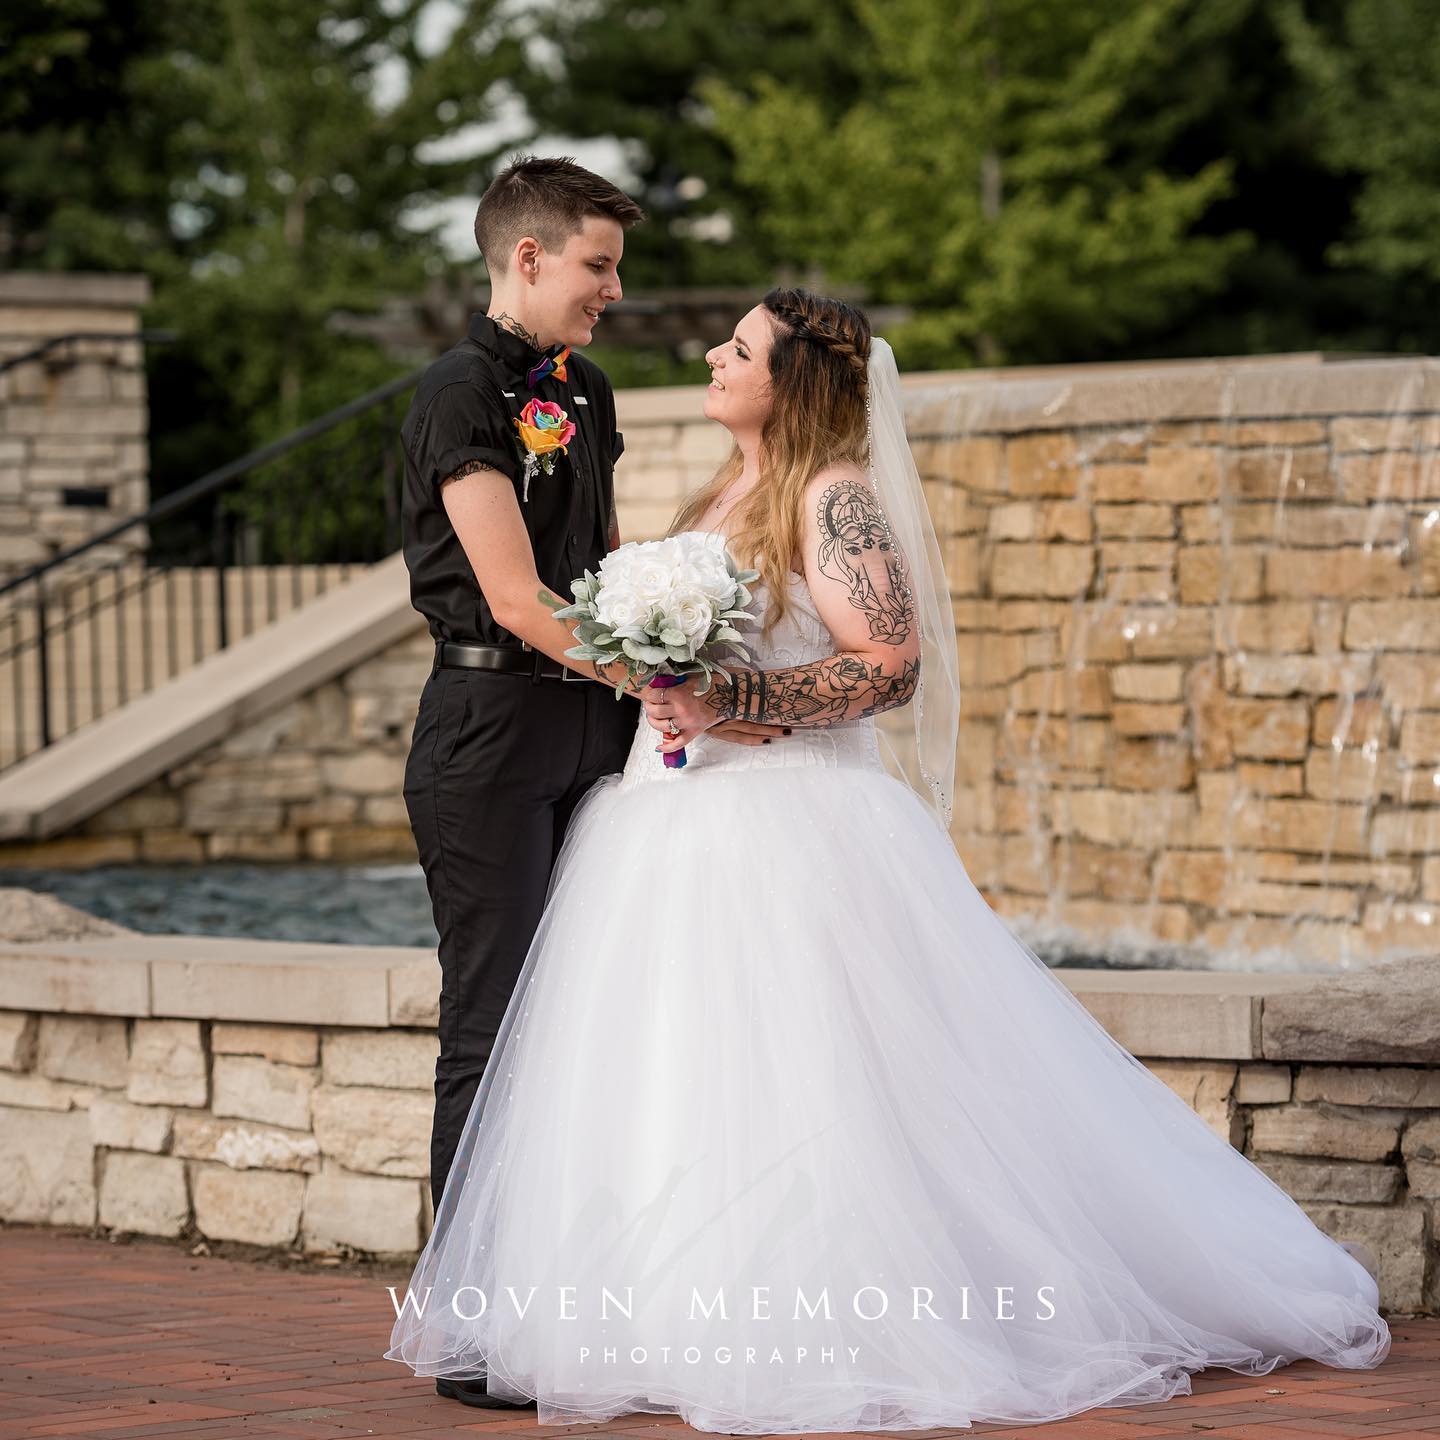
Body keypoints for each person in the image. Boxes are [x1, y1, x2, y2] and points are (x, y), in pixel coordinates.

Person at [386, 286, 1391, 1433]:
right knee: (681, 1076)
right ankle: (668, 1312)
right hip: (670, 822)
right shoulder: (722, 490)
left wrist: (732, 698)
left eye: (739, 348)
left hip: (795, 828)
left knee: (811, 1084)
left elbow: (889, 662)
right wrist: (670, 688)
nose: (714, 356)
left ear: (791, 383)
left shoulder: (835, 497)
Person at [398, 156, 781, 1412]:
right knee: (495, 1024)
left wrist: (658, 657)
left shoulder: (585, 387)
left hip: (592, 734)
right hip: (490, 739)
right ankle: (470, 1329)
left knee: (590, 1021)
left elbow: (600, 561)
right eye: (598, 266)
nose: (613, 289)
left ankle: (579, 1305)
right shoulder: (457, 395)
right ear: (528, 257)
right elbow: (516, 597)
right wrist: (653, 677)